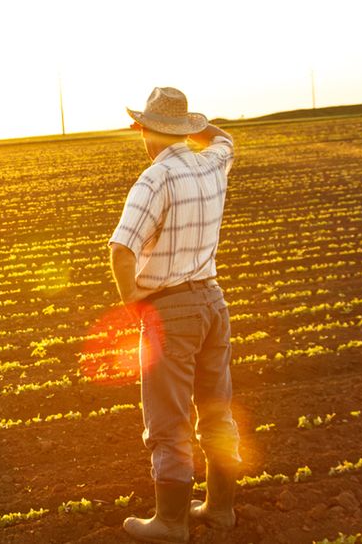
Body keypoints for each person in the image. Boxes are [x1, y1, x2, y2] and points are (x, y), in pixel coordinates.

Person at [107, 87, 241, 543]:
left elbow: (121, 249)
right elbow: (225, 139)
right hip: (213, 304)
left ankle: (170, 522)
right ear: (183, 128)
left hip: (171, 310)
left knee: (168, 420)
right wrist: (193, 126)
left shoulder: (155, 179)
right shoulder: (212, 162)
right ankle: (220, 509)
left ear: (145, 129)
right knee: (217, 412)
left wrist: (133, 302)